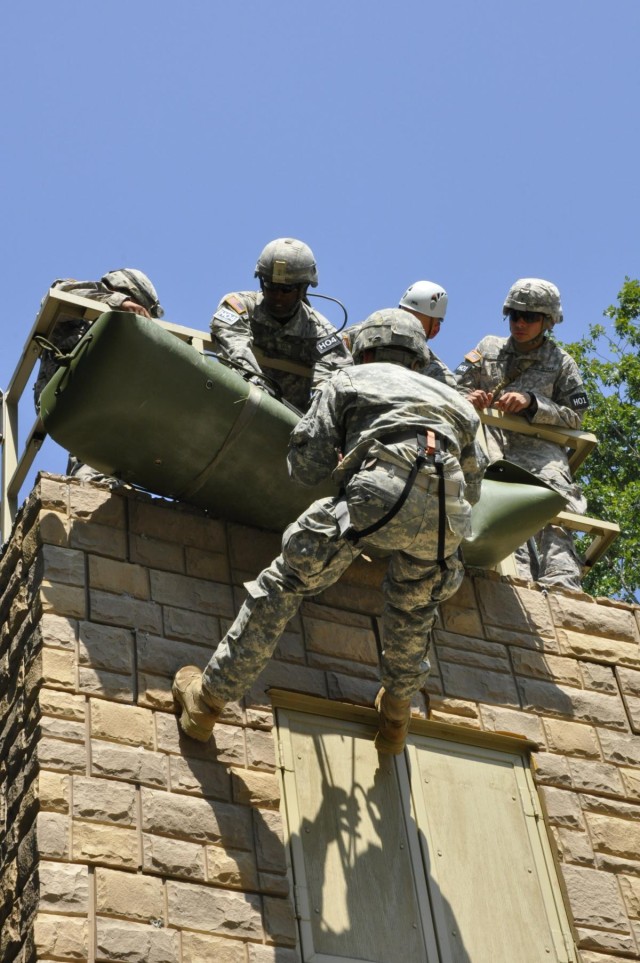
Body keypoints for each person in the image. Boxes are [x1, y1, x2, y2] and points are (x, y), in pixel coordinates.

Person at [173, 309, 487, 754]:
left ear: (366, 349)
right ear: (418, 358)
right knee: (413, 611)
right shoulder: (458, 404)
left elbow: (305, 467)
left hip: (377, 495)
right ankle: (396, 716)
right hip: (446, 520)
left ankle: (206, 703)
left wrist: (346, 455)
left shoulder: (349, 380)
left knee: (285, 584)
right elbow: (474, 490)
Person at [455, 278, 589, 590]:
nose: (520, 323)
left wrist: (533, 403)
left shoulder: (561, 363)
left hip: (542, 454)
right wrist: (468, 398)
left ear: (548, 321)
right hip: (491, 446)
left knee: (556, 506)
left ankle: (562, 586)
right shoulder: (487, 347)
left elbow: (576, 416)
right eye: (515, 315)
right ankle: (515, 581)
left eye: (529, 317)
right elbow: (453, 383)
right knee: (498, 509)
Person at [34, 268, 164, 480]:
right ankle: (91, 481)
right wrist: (118, 301)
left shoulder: (119, 328)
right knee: (94, 449)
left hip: (99, 400)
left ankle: (94, 481)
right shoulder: (82, 295)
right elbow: (58, 296)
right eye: (136, 303)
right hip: (65, 388)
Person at [210, 237, 353, 412]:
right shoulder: (240, 306)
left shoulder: (321, 332)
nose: (277, 296)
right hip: (235, 405)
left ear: (303, 289)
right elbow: (235, 345)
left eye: (286, 290)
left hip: (289, 426)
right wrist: (257, 389)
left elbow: (332, 385)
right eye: (270, 286)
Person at [344, 280, 456, 387]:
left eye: (415, 320)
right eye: (404, 314)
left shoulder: (438, 375)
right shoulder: (361, 334)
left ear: (435, 330)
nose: (406, 322)